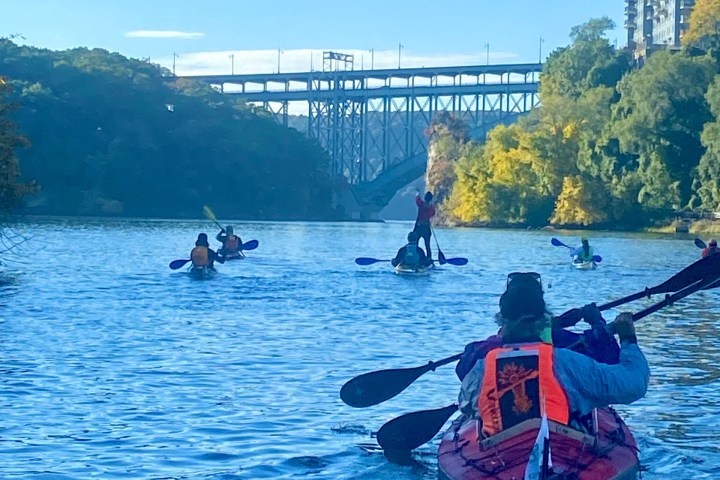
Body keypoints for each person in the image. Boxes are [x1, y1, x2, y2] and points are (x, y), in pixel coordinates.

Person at [457, 272, 649, 436]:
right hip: (559, 452)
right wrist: (628, 338)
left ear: (501, 320)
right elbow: (634, 383)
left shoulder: (479, 371)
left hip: (498, 457)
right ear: (544, 320)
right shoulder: (567, 364)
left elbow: (467, 407)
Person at [413, 191, 436, 261]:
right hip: (426, 228)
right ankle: (429, 258)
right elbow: (432, 214)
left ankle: (416, 257)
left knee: (415, 244)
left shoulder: (421, 204)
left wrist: (417, 193)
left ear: (425, 198)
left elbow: (417, 200)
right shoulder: (431, 208)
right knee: (427, 245)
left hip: (419, 227)